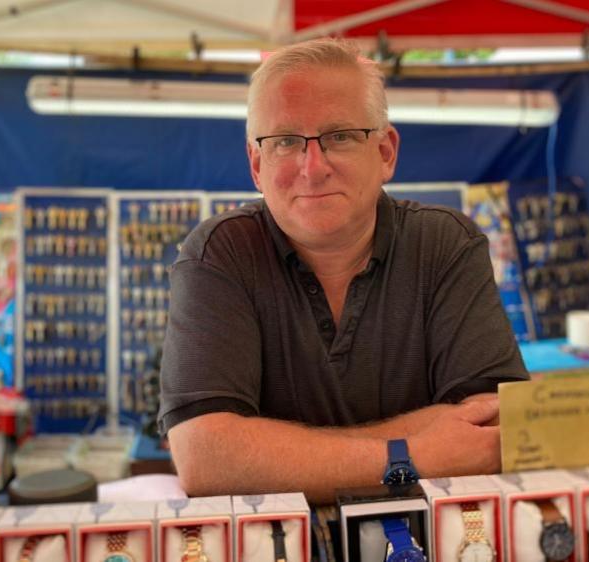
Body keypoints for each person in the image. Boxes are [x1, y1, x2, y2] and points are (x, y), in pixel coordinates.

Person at [158, 37, 528, 504]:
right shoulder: (219, 254)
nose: (312, 168)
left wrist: (271, 452)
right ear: (256, 164)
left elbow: (491, 431)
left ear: (386, 152)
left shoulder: (446, 245)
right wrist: (412, 453)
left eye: (340, 136)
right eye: (286, 141)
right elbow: (206, 460)